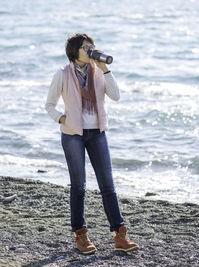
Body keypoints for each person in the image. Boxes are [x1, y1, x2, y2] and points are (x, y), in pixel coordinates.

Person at [45, 33, 139, 254]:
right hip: (72, 135)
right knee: (78, 186)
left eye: (92, 46)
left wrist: (105, 69)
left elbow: (116, 96)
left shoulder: (99, 72)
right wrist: (61, 118)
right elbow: (49, 104)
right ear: (74, 51)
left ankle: (120, 234)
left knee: (108, 185)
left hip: (97, 133)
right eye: (86, 47)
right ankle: (81, 235)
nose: (90, 50)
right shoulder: (62, 74)